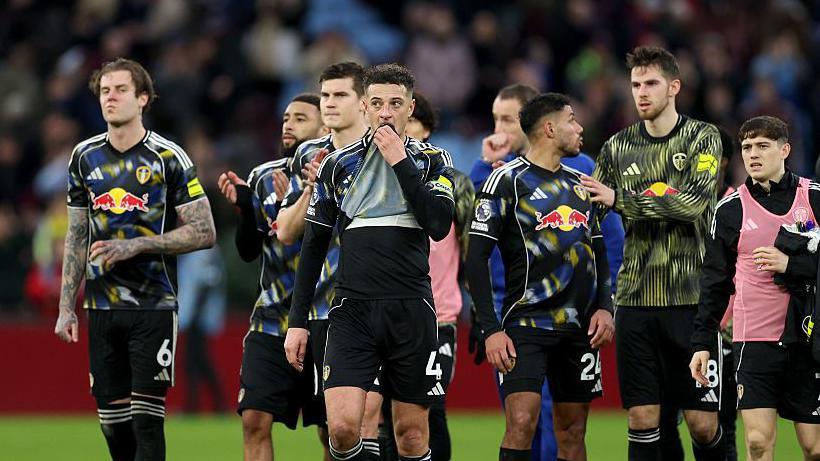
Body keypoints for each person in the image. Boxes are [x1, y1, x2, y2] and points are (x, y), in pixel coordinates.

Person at [284, 63, 455, 461]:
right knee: (342, 431)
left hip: (411, 310)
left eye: (395, 103)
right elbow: (312, 248)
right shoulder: (337, 165)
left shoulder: (432, 160)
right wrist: (297, 324)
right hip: (352, 312)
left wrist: (400, 160)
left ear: (410, 108)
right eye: (376, 103)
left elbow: (439, 224)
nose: (385, 112)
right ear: (364, 106)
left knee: (411, 435)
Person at [54, 57, 217, 461]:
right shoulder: (83, 157)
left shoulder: (168, 157)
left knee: (147, 420)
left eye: (120, 90)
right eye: (104, 90)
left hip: (153, 305)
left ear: (142, 98)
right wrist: (65, 307)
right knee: (113, 425)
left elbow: (205, 231)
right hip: (101, 306)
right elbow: (77, 235)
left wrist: (138, 245)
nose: (110, 97)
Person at [580, 46, 725, 461]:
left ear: (674, 87)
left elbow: (692, 204)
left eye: (651, 83)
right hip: (635, 301)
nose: (641, 92)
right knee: (642, 416)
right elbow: (592, 216)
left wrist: (620, 198)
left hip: (692, 301)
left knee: (702, 424)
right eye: (636, 84)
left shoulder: (703, 137)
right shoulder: (616, 147)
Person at [467, 92, 615, 461]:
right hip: (525, 324)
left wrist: (605, 307)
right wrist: (491, 328)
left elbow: (600, 253)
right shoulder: (505, 182)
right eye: (572, 120)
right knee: (521, 424)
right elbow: (475, 259)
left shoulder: (582, 185)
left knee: (573, 431)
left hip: (580, 328)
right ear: (550, 128)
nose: (579, 127)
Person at [690, 116, 820, 461]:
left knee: (815, 447)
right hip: (755, 340)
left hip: (809, 340)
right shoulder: (730, 210)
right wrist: (703, 342)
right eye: (747, 147)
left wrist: (791, 265)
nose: (753, 154)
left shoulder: (814, 199)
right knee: (758, 443)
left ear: (785, 150)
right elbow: (714, 282)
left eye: (763, 146)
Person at [217, 93, 328, 461]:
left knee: (333, 432)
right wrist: (246, 212)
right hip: (271, 321)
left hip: (324, 319)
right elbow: (249, 250)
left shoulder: (342, 172)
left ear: (324, 126)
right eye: (285, 117)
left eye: (300, 117)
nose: (288, 124)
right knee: (254, 421)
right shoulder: (263, 177)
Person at [275, 62, 375, 458]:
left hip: (380, 304)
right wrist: (310, 190)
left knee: (383, 422)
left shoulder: (385, 151)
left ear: (362, 102)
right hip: (323, 309)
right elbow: (285, 231)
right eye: (326, 95)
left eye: (340, 95)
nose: (329, 103)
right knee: (337, 429)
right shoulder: (308, 154)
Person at [378, 92, 475, 461]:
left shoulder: (453, 182)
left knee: (431, 408)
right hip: (385, 312)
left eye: (413, 134)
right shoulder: (375, 179)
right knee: (386, 415)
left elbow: (471, 250)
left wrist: (479, 311)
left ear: (428, 132)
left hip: (439, 315)